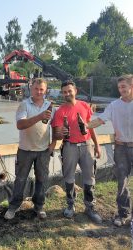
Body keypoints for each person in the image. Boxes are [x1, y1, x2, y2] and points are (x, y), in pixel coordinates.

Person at [4, 78, 56, 220]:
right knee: (20, 179)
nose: (39, 92)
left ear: (46, 90)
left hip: (43, 150)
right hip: (25, 150)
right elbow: (20, 125)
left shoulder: (50, 106)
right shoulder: (24, 105)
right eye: (36, 89)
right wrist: (39, 116)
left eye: (42, 89)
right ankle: (13, 206)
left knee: (42, 179)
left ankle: (39, 207)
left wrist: (53, 144)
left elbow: (56, 127)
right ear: (31, 89)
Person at [51, 80, 102, 224]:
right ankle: (70, 204)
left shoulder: (85, 106)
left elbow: (91, 127)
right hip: (69, 146)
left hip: (87, 146)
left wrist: (97, 146)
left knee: (89, 177)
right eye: (64, 92)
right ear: (62, 93)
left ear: (75, 91)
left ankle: (90, 207)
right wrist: (62, 134)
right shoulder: (60, 111)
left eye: (69, 91)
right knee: (69, 177)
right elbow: (56, 134)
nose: (67, 94)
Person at [87, 74, 133, 227]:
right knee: (122, 183)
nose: (121, 90)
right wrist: (85, 126)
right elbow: (100, 120)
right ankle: (123, 214)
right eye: (119, 87)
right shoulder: (114, 105)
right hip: (120, 148)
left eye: (124, 87)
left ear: (131, 87)